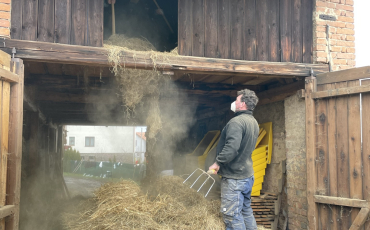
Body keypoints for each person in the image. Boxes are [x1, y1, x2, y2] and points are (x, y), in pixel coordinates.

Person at [208, 89, 259, 230]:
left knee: (232, 216)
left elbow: (232, 148)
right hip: (247, 175)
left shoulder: (236, 122)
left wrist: (218, 162)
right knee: (246, 211)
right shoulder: (253, 122)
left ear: (242, 104)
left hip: (235, 178)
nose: (234, 103)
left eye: (236, 100)